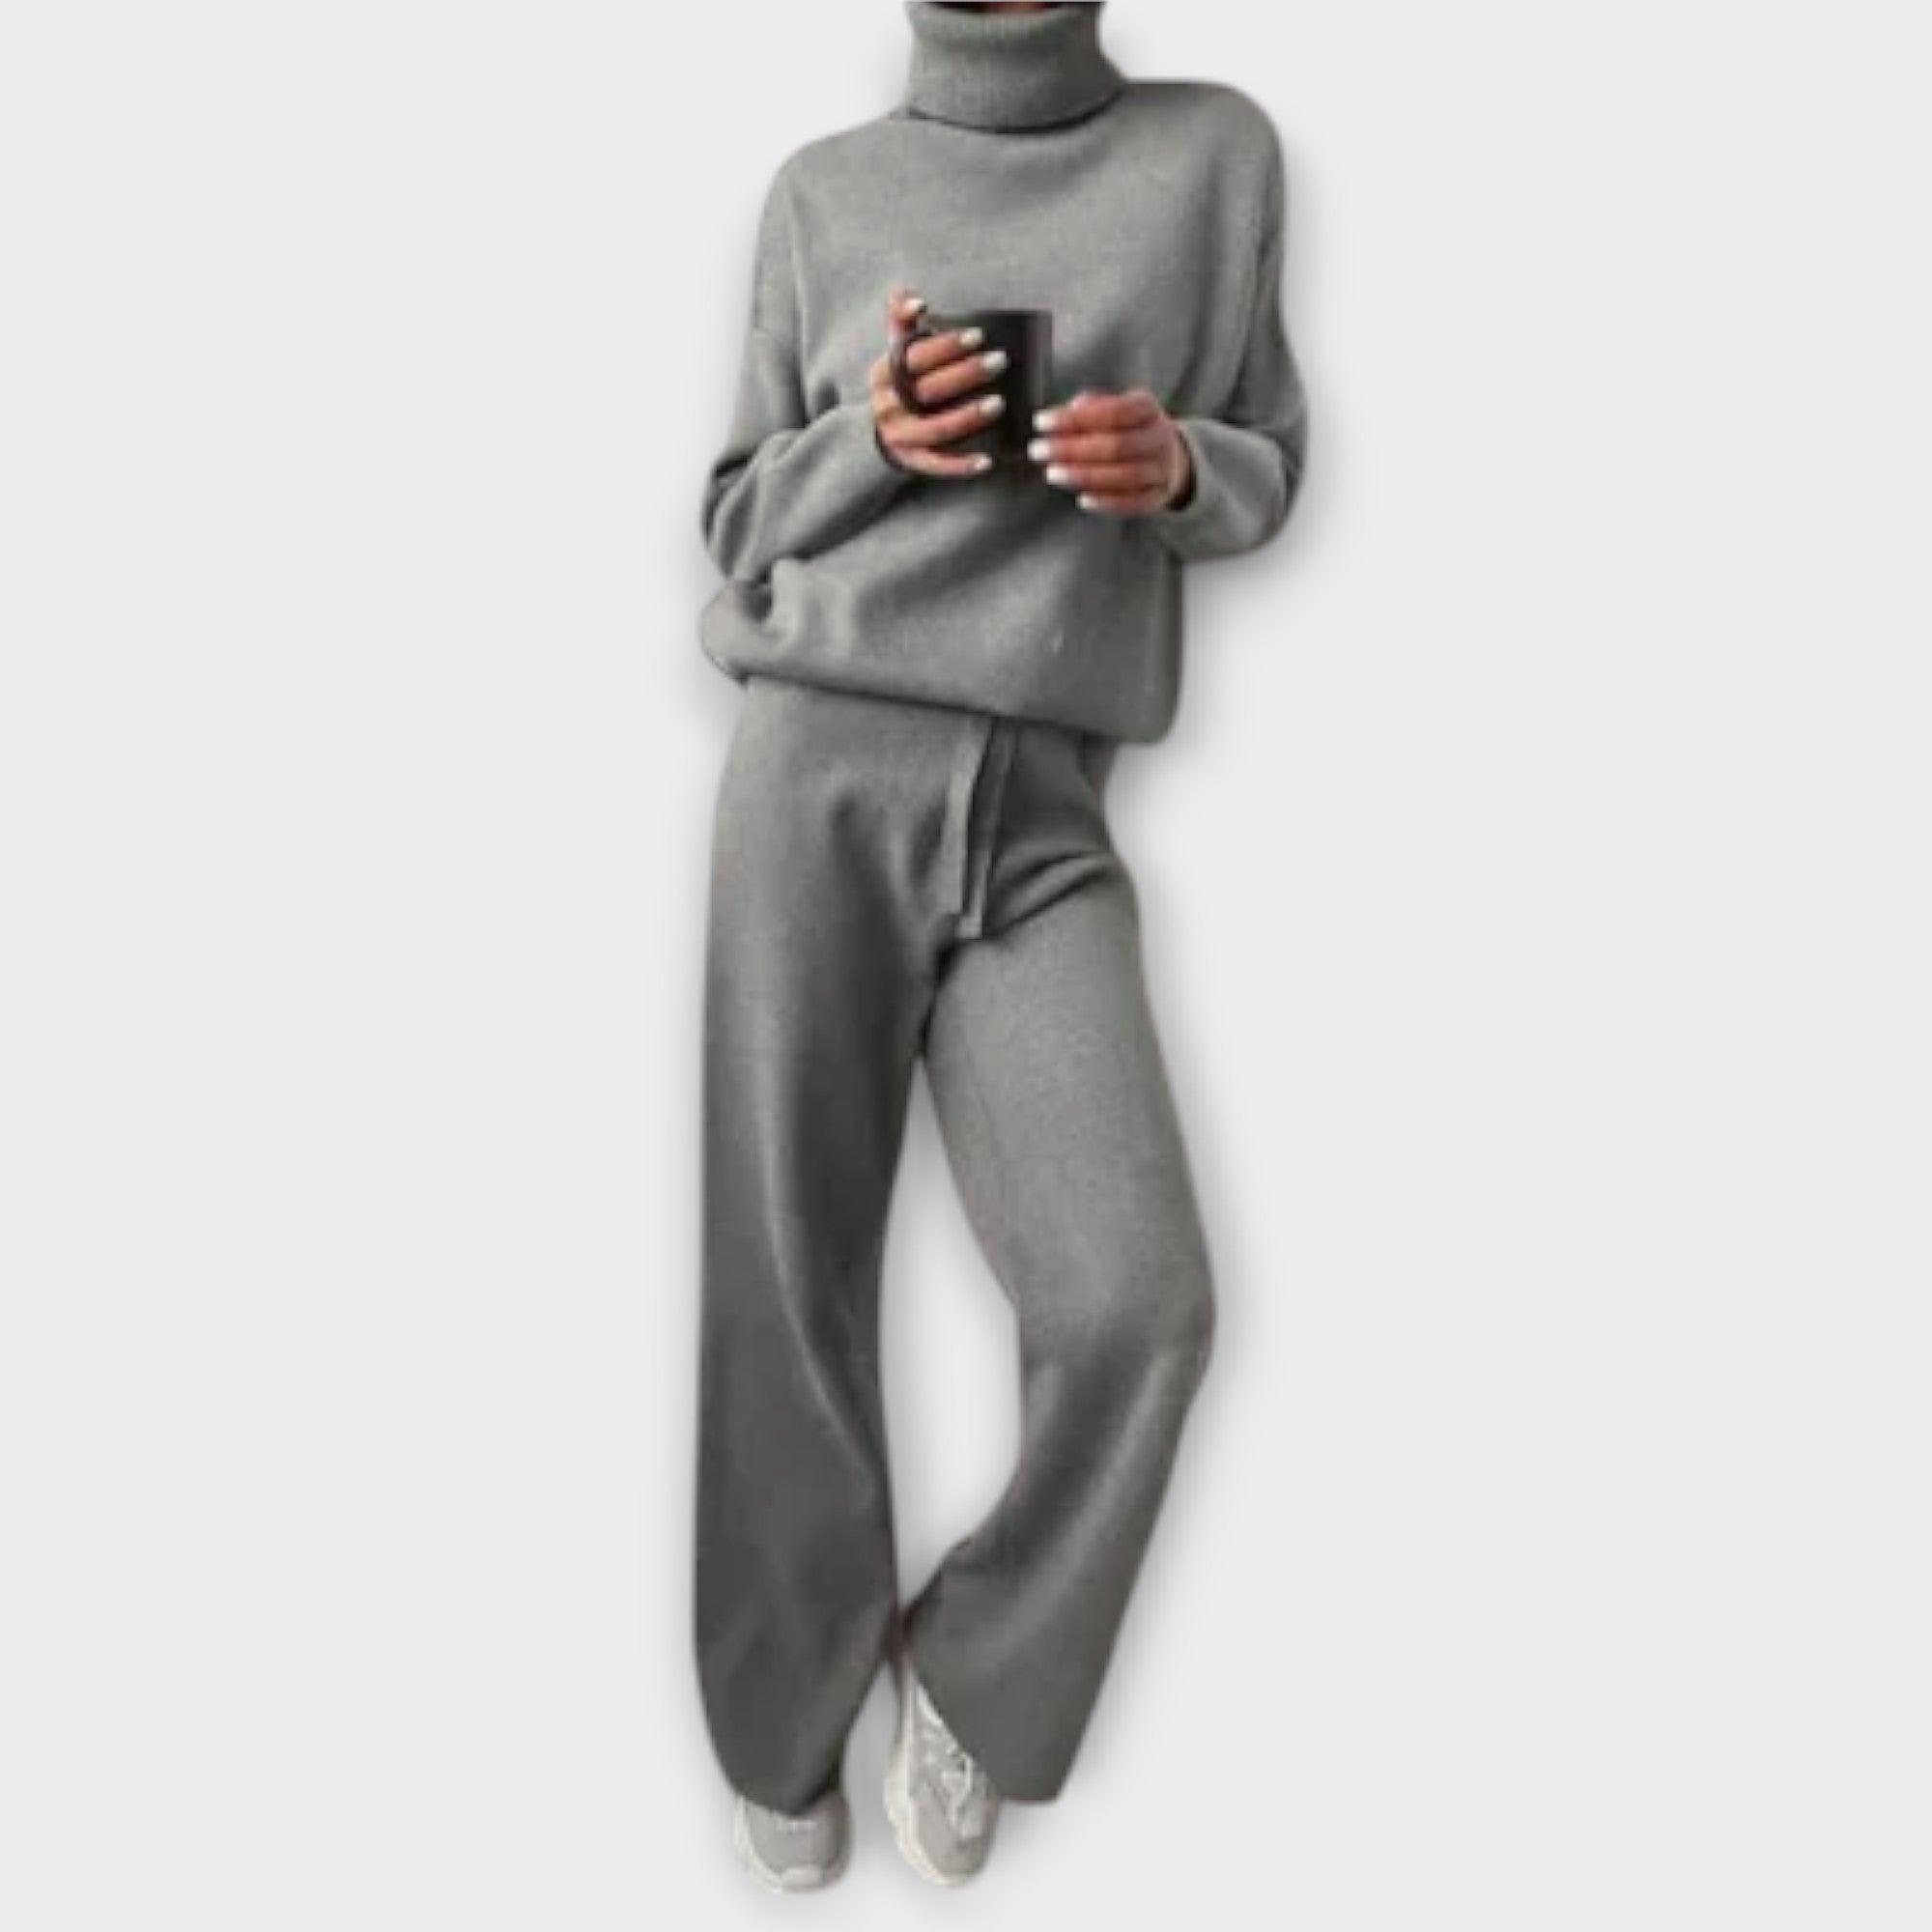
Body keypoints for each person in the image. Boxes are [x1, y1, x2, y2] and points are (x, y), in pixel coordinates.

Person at [693, 0, 1308, 1891]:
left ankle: (980, 1668)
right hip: (816, 770)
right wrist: (869, 439)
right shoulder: (824, 192)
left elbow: (1269, 459)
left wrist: (1177, 469)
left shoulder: (1214, 158)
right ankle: (779, 1716)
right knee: (787, 1278)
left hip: (1045, 803)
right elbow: (731, 519)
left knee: (1141, 1304)